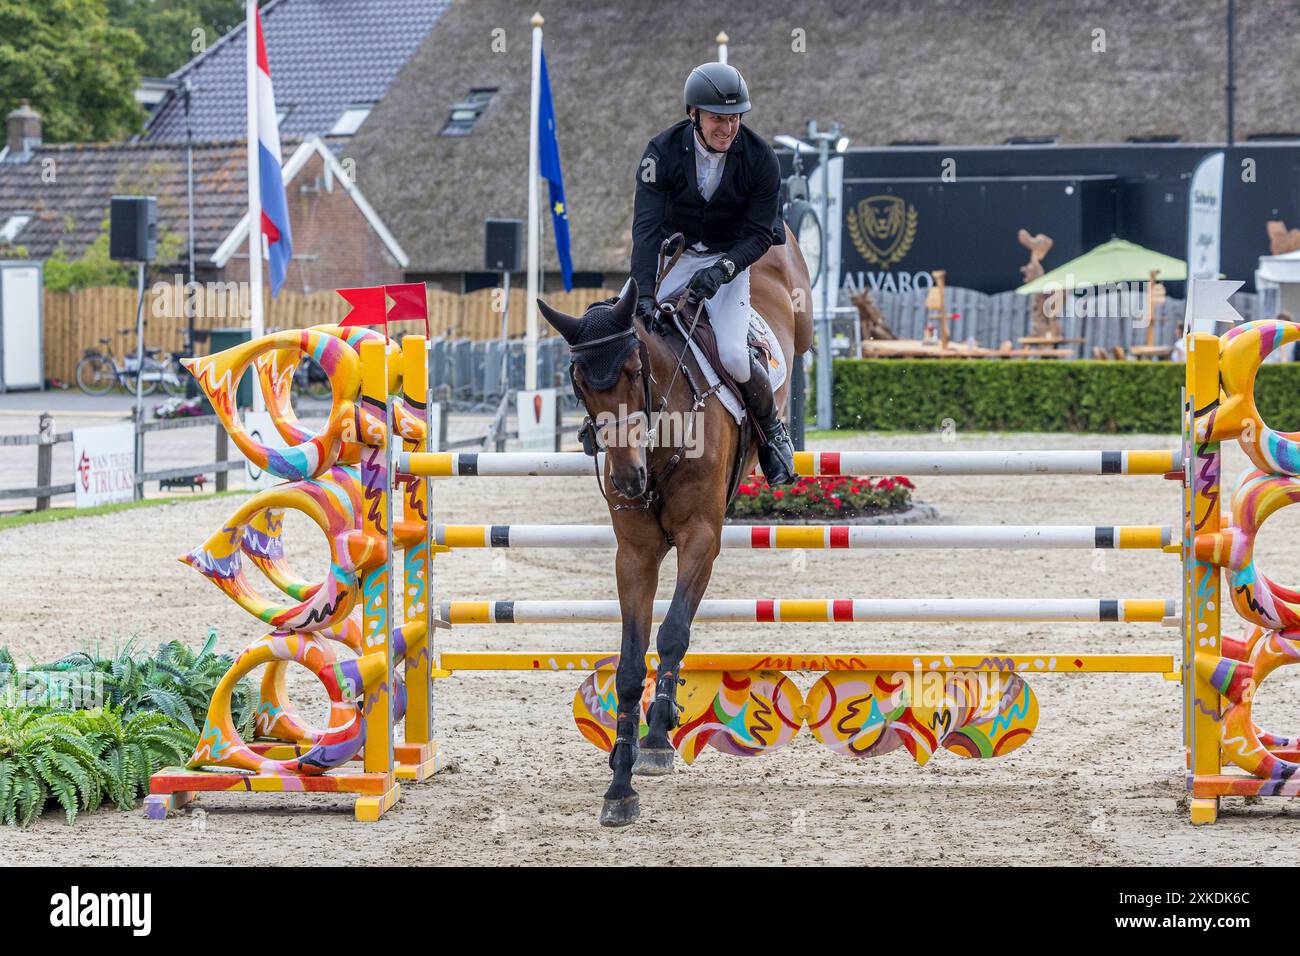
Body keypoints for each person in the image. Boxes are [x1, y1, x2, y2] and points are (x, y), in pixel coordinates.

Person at [629, 61, 796, 485]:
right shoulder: (660, 153)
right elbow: (646, 230)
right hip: (677, 256)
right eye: (718, 118)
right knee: (629, 339)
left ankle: (773, 435)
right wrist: (645, 294)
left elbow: (761, 234)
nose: (728, 128)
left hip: (731, 257)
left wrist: (723, 269)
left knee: (736, 356)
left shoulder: (760, 159)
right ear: (693, 114)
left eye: (735, 118)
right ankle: (611, 428)